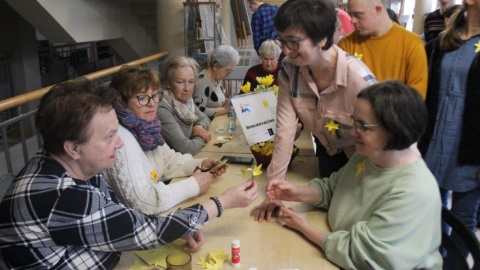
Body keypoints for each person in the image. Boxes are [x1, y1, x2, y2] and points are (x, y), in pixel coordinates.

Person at [0, 79, 258, 269]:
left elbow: (125, 220)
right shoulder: (59, 195)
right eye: (110, 137)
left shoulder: (73, 162)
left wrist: (179, 227)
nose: (120, 143)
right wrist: (221, 202)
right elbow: (145, 231)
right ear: (73, 148)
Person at [266, 80, 442, 269]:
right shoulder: (370, 155)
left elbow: (362, 255)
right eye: (354, 122)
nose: (352, 131)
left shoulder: (413, 192)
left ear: (393, 129)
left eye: (362, 126)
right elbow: (335, 188)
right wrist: (296, 193)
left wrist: (304, 227)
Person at [250, 0, 376, 222]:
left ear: (322, 39)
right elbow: (285, 130)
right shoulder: (290, 70)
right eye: (283, 41)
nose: (286, 51)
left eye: (294, 42)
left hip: (364, 166)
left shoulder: (360, 81)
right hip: (328, 155)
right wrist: (274, 192)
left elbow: (383, 144)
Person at [104, 65, 226, 215]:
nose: (152, 103)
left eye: (155, 95)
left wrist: (200, 164)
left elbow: (168, 161)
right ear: (122, 102)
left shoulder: (147, 127)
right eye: (142, 98)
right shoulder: (121, 139)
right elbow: (143, 202)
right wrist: (194, 185)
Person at [420, 1, 480, 267]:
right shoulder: (444, 42)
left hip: (472, 145)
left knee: (464, 216)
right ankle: (432, 260)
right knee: (430, 209)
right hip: (436, 138)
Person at [338, 0, 428, 99]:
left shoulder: (412, 44)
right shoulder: (346, 44)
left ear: (378, 9)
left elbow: (416, 98)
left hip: (395, 113)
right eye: (350, 15)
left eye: (358, 14)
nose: (352, 21)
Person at [157, 56, 212, 155]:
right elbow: (186, 148)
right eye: (180, 82)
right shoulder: (162, 107)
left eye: (191, 82)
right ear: (168, 83)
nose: (187, 88)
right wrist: (201, 136)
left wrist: (199, 126)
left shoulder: (186, 101)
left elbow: (205, 119)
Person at [193, 45, 239, 119]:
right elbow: (198, 111)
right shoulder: (202, 81)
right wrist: (224, 109)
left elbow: (216, 102)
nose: (229, 74)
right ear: (216, 67)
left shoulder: (217, 78)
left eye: (231, 71)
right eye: (227, 70)